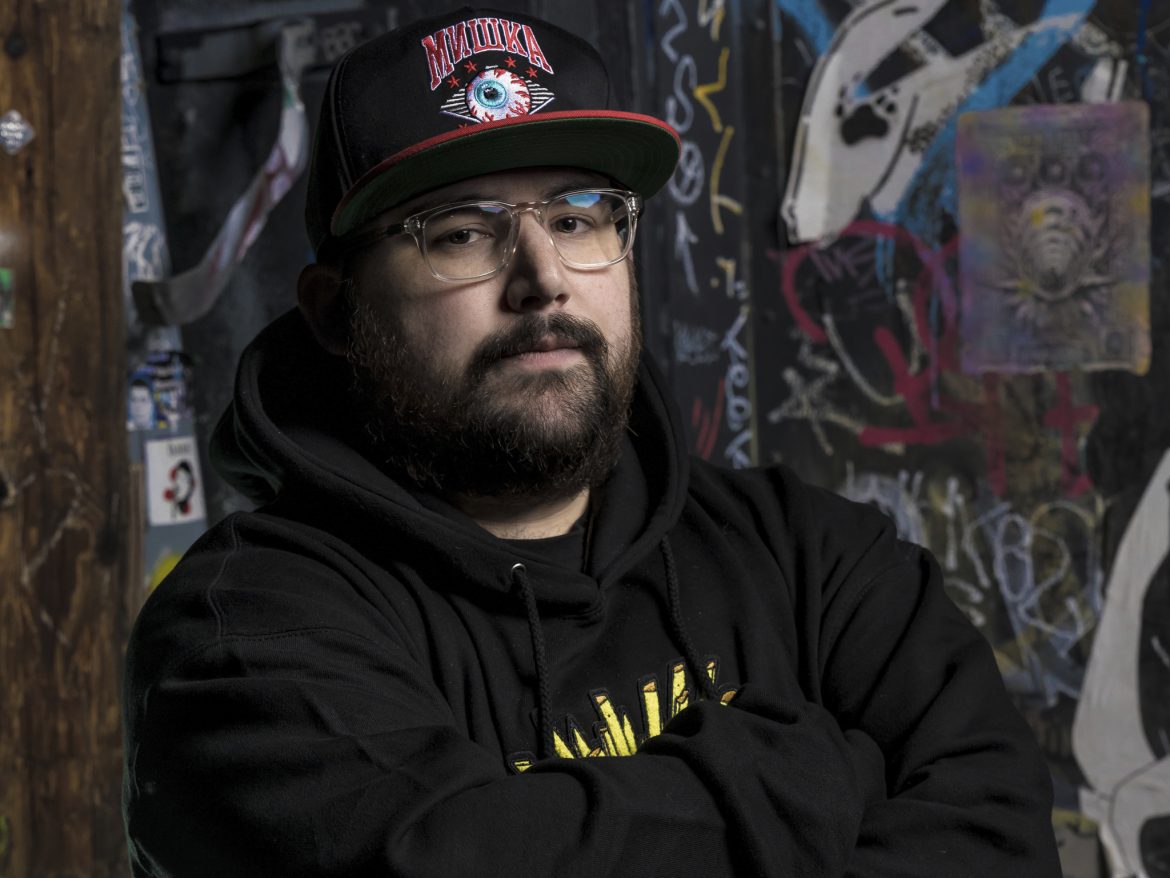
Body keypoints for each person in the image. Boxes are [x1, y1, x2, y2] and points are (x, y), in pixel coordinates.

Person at [121, 7, 1062, 876]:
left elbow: (1000, 838)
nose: (543, 278)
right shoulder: (240, 642)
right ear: (335, 310)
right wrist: (812, 775)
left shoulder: (815, 562)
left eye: (577, 218)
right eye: (461, 233)